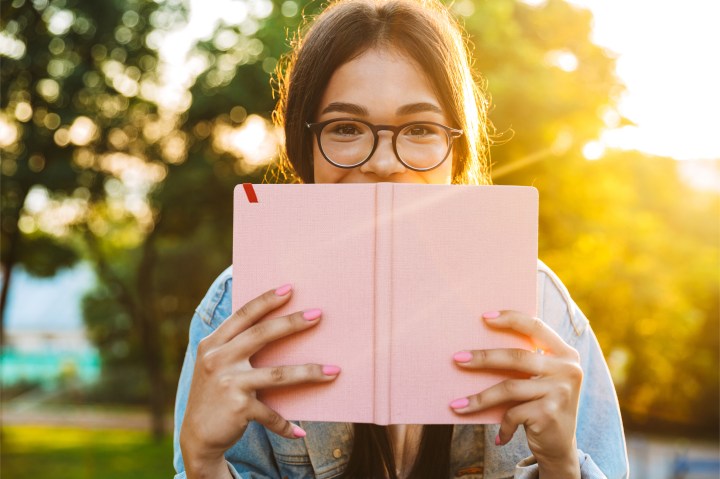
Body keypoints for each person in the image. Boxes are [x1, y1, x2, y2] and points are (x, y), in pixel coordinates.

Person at [173, 0, 629, 477]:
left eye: (419, 129)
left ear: (457, 151)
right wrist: (204, 464)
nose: (385, 163)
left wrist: (561, 465)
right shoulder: (236, 310)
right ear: (304, 148)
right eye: (345, 128)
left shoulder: (541, 307)